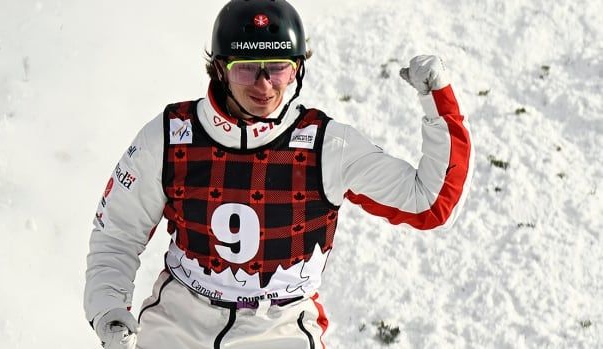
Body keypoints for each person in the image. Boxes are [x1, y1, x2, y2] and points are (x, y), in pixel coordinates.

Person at [84, 0, 473, 348]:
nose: (264, 85)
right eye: (247, 70)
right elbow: (118, 232)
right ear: (220, 68)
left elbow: (430, 202)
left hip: (281, 328)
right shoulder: (171, 135)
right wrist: (109, 307)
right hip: (179, 321)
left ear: (297, 69)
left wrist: (438, 105)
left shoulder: (325, 146)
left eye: (278, 69)